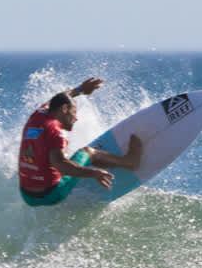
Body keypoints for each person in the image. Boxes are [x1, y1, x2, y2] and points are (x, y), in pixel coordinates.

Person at [18, 77, 142, 207]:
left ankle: (81, 168)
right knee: (88, 152)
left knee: (49, 154)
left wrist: (80, 89)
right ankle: (129, 162)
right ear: (64, 109)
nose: (76, 118)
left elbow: (59, 98)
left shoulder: (38, 114)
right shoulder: (55, 131)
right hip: (51, 195)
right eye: (74, 112)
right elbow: (61, 165)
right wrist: (94, 173)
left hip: (27, 196)